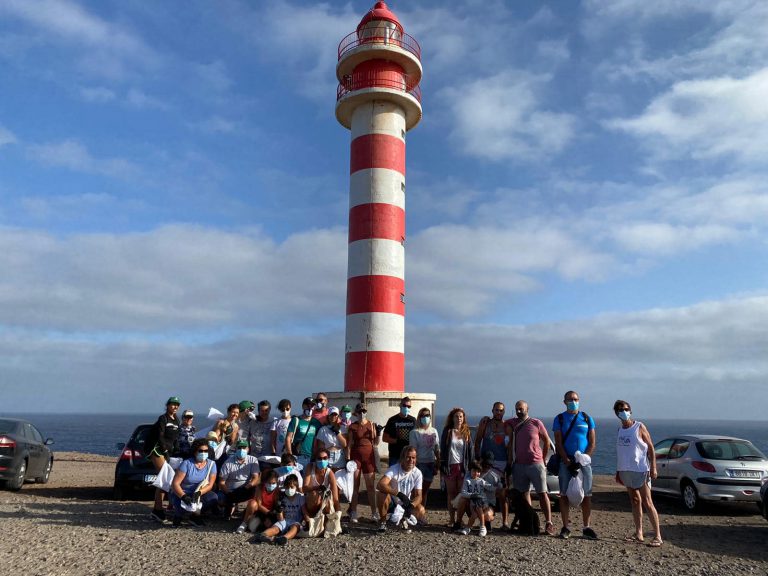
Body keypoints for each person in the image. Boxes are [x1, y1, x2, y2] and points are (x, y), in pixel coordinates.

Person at [614, 399, 662, 547]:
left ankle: (658, 535)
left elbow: (651, 447)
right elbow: (621, 452)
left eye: (626, 409)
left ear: (630, 410)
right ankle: (639, 533)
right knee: (635, 501)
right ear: (616, 413)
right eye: (621, 409)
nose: (624, 412)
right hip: (626, 470)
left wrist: (653, 467)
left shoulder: (639, 427)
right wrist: (618, 471)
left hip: (641, 469)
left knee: (648, 502)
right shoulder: (620, 430)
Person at [553, 390, 597, 539]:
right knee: (564, 494)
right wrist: (567, 461)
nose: (573, 401)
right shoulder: (559, 419)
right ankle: (566, 527)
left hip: (584, 462)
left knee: (587, 495)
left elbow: (592, 442)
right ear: (564, 402)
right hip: (566, 461)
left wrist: (584, 459)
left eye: (576, 399)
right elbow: (558, 443)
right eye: (570, 399)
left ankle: (586, 527)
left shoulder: (587, 418)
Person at [507, 400, 555, 535]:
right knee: (524, 494)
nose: (519, 411)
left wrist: (544, 459)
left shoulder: (536, 423)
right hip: (519, 465)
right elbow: (499, 425)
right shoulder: (513, 423)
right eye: (517, 409)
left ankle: (549, 523)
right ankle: (528, 522)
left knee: (542, 493)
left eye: (521, 409)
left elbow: (546, 441)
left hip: (536, 464)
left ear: (527, 409)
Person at [146, 396, 181, 523]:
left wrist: (176, 450)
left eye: (177, 404)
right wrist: (165, 450)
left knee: (164, 479)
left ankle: (157, 510)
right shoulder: (163, 418)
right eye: (172, 404)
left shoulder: (177, 420)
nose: (175, 406)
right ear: (167, 405)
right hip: (157, 450)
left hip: (168, 451)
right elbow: (160, 436)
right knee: (165, 478)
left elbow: (176, 438)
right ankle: (158, 510)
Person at [169, 438, 218, 527]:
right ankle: (178, 515)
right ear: (195, 451)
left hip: (198, 493)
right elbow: (175, 484)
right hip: (182, 492)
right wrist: (184, 496)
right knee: (179, 507)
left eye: (206, 451)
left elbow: (210, 484)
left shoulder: (212, 464)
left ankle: (195, 516)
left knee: (213, 497)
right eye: (201, 451)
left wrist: (199, 493)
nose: (203, 453)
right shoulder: (186, 463)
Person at [376, 445, 426, 532]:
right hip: (392, 501)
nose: (411, 460)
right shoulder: (394, 469)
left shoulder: (417, 473)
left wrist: (411, 506)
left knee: (421, 510)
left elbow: (419, 496)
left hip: (406, 503)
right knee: (381, 494)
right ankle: (383, 522)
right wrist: (399, 494)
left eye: (413, 458)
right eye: (408, 457)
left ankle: (403, 519)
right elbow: (380, 484)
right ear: (402, 458)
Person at [475, 401, 509, 528]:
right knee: (485, 491)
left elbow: (509, 446)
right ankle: (487, 520)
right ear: (492, 410)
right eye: (496, 410)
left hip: (501, 463)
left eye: (501, 410)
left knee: (502, 493)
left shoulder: (506, 425)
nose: (498, 412)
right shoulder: (485, 423)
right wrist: (477, 459)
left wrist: (510, 462)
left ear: (504, 412)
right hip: (486, 462)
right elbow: (478, 441)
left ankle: (505, 522)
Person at [440, 407, 474, 530]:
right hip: (450, 466)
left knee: (461, 494)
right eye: (456, 416)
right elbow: (443, 449)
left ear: (463, 418)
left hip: (462, 467)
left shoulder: (466, 432)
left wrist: (471, 466)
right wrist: (442, 465)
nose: (459, 418)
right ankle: (451, 519)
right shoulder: (447, 431)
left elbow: (470, 451)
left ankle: (459, 520)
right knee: (451, 493)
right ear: (452, 418)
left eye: (461, 416)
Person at [252, 474, 309, 545]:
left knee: (295, 527)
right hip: (284, 520)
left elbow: (304, 511)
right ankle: (262, 535)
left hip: (295, 521)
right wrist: (279, 510)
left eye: (292, 487)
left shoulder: (300, 497)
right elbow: (280, 519)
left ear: (296, 487)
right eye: (287, 487)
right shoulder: (282, 498)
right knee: (276, 527)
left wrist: (308, 522)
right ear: (284, 487)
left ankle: (284, 538)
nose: (289, 489)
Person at [347, 402, 379, 522]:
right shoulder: (353, 426)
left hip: (369, 458)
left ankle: (374, 513)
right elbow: (349, 444)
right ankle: (354, 512)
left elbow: (376, 442)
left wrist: (379, 433)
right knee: (355, 485)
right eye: (360, 411)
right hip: (356, 458)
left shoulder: (371, 425)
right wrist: (348, 459)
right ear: (356, 413)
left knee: (371, 486)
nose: (362, 413)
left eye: (364, 411)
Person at [218, 438, 261, 520]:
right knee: (220, 499)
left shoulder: (253, 460)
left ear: (248, 449)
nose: (242, 450)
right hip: (230, 490)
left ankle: (248, 511)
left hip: (246, 489)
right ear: (236, 449)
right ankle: (228, 508)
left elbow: (256, 478)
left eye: (244, 448)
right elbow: (221, 482)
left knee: (257, 490)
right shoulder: (227, 463)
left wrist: (246, 487)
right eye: (239, 448)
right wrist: (228, 493)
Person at [408, 407, 440, 511]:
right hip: (419, 464)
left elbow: (436, 448)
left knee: (425, 491)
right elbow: (413, 450)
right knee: (416, 491)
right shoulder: (414, 432)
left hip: (430, 463)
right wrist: (414, 466)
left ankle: (421, 512)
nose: (425, 417)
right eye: (422, 415)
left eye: (427, 415)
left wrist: (438, 462)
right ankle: (413, 512)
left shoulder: (434, 431)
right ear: (419, 417)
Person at [236, 468, 281, 534]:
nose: (271, 485)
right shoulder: (259, 488)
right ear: (265, 482)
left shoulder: (277, 490)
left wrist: (271, 517)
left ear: (277, 482)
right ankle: (244, 523)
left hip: (271, 513)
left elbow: (276, 505)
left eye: (273, 483)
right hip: (259, 512)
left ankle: (262, 524)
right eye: (269, 483)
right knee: (252, 503)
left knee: (257, 527)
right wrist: (267, 515)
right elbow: (259, 505)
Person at [454, 461, 491, 536]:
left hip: (482, 503)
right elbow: (463, 492)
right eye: (474, 471)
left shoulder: (481, 481)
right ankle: (468, 527)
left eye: (478, 472)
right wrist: (472, 495)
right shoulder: (467, 481)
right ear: (470, 471)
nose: (476, 473)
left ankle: (482, 527)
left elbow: (489, 487)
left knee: (478, 506)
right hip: (472, 502)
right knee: (473, 515)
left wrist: (499, 485)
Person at [284, 397, 322, 468]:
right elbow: (288, 438)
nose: (310, 407)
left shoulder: (316, 423)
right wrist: (290, 456)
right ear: (303, 406)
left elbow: (320, 439)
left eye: (312, 405)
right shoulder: (296, 420)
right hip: (297, 456)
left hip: (311, 457)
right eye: (308, 405)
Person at [303, 448, 340, 516]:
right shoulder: (310, 467)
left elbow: (335, 497)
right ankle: (312, 518)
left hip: (324, 501)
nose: (322, 460)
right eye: (319, 458)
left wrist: (338, 513)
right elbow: (304, 488)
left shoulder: (330, 473)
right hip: (311, 500)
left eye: (325, 458)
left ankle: (324, 520)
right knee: (314, 494)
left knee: (329, 500)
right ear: (315, 459)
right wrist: (317, 487)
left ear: (328, 459)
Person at [382, 396, 417, 464]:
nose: (406, 408)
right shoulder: (392, 420)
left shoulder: (413, 420)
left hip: (409, 456)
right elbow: (384, 438)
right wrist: (397, 441)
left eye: (409, 406)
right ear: (400, 405)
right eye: (404, 405)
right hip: (395, 456)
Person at [314, 407, 348, 471]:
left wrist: (337, 432)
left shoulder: (342, 428)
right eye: (331, 414)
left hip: (340, 455)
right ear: (328, 416)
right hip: (328, 455)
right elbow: (321, 447)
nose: (333, 416)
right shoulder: (323, 429)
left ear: (338, 416)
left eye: (335, 415)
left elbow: (344, 444)